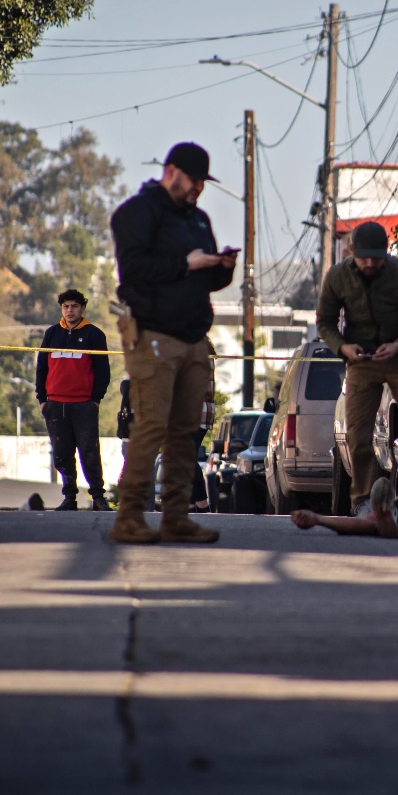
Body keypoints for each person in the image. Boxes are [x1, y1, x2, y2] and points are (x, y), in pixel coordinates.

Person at [107, 141, 236, 543]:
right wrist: (186, 263)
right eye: (194, 180)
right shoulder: (136, 213)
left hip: (195, 337)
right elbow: (133, 272)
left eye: (203, 182)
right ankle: (128, 517)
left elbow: (206, 278)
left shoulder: (197, 220)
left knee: (185, 431)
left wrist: (221, 268)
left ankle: (175, 516)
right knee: (151, 426)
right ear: (172, 171)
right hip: (154, 336)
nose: (199, 188)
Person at [316, 221, 398, 517]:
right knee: (358, 437)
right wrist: (343, 348)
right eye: (365, 257)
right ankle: (362, 500)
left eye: (377, 256)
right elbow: (324, 322)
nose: (372, 263)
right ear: (351, 251)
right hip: (361, 362)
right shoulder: (337, 277)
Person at [35, 289, 112, 511]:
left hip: (84, 404)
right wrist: (43, 399)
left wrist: (95, 399)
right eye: (66, 307)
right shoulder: (51, 334)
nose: (70, 311)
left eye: (74, 306)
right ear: (61, 309)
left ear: (82, 308)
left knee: (89, 451)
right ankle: (69, 497)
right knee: (62, 452)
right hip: (55, 404)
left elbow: (102, 371)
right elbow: (42, 368)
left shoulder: (94, 334)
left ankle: (98, 497)